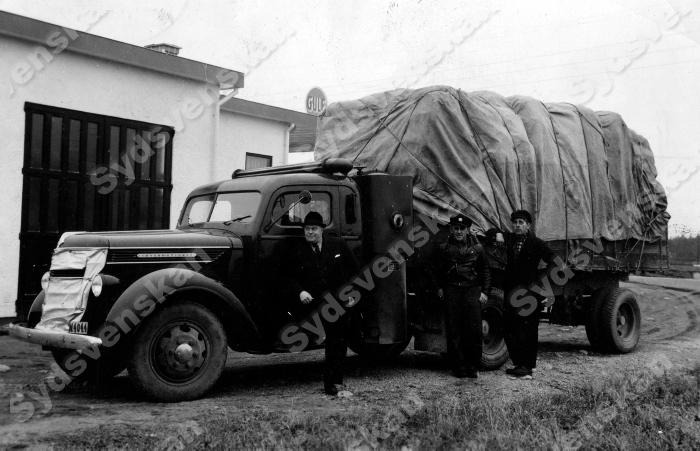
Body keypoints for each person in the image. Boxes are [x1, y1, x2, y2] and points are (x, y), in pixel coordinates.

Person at [282, 211, 359, 395]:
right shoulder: (297, 250)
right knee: (322, 338)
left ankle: (334, 383)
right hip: (310, 303)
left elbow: (354, 270)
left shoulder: (338, 245)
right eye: (307, 229)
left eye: (314, 229)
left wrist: (351, 293)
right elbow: (287, 276)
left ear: (322, 230)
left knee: (337, 342)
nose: (310, 232)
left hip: (336, 301)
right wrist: (300, 291)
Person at [433, 214, 490, 378]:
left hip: (471, 291)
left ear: (467, 230)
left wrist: (485, 292)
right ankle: (458, 366)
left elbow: (485, 270)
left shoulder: (478, 249)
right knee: (454, 330)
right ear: (452, 229)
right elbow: (435, 270)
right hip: (452, 291)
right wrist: (439, 288)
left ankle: (473, 366)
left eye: (462, 229)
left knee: (473, 331)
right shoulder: (444, 248)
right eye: (456, 228)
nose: (459, 231)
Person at [503, 209, 555, 379]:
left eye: (521, 223)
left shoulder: (537, 244)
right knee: (511, 327)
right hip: (511, 292)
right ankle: (518, 363)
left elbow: (556, 262)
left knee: (528, 329)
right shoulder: (509, 240)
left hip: (530, 293)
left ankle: (528, 366)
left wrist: (540, 281)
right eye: (515, 222)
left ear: (528, 225)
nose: (517, 226)